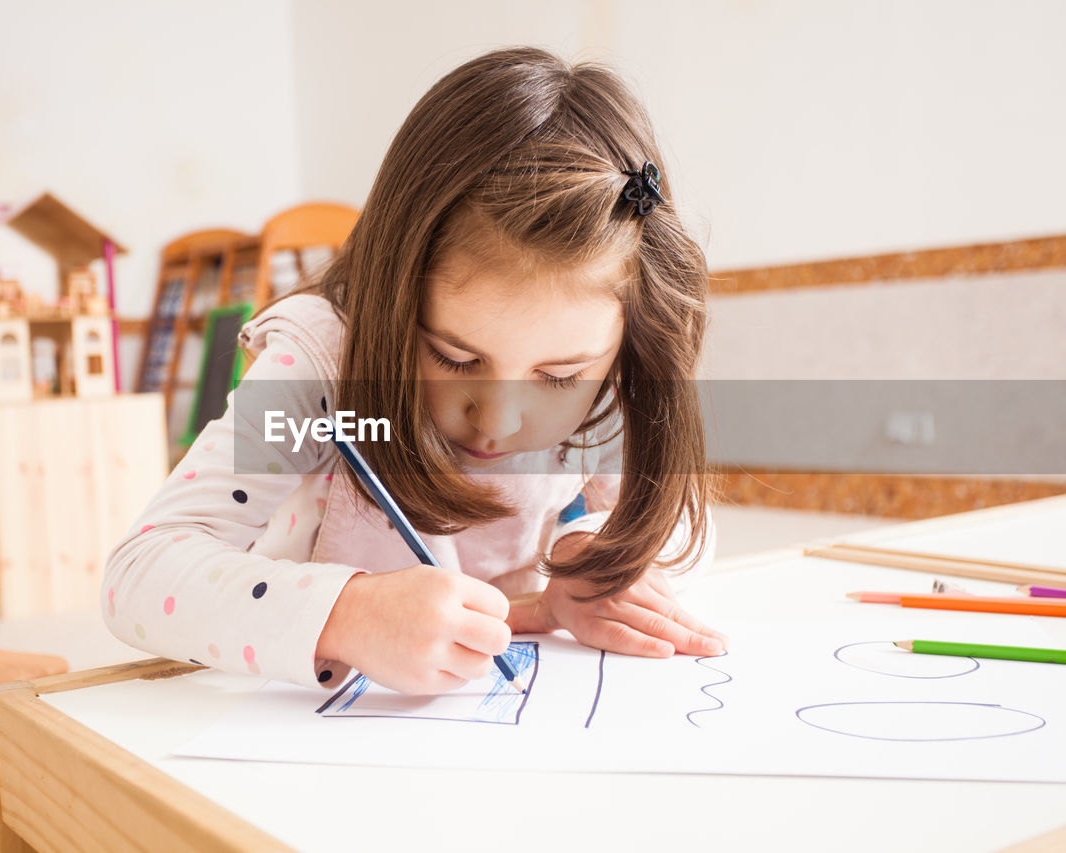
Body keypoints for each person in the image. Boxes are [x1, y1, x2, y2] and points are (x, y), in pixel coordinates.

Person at [103, 46, 728, 695]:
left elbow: (680, 522)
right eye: (456, 358)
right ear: (394, 294)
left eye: (559, 377)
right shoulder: (322, 368)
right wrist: (345, 612)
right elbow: (138, 575)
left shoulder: (614, 363)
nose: (497, 419)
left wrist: (597, 554)